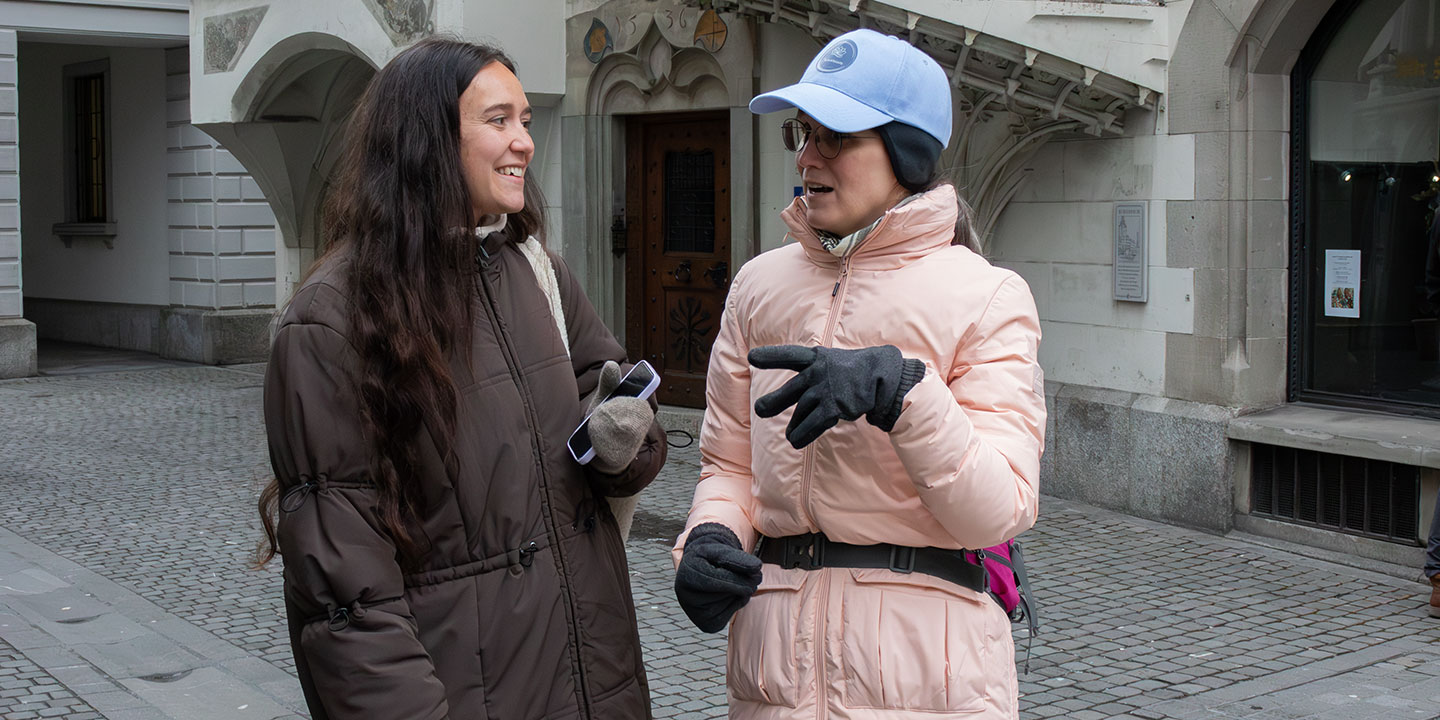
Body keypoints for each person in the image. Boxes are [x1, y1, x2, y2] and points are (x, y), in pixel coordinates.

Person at [255, 38, 666, 719]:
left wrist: (625, 446)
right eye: (498, 120)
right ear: (427, 140)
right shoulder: (330, 323)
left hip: (595, 681)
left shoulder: (540, 272)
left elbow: (610, 394)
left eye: (526, 121)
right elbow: (348, 601)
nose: (524, 143)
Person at [671, 29, 1046, 719]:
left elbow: (998, 508)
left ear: (906, 152)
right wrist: (712, 538)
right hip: (773, 677)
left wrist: (906, 393)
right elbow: (728, 465)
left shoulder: (988, 296)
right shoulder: (757, 288)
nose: (807, 156)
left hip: (924, 679)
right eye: (802, 133)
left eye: (834, 137)